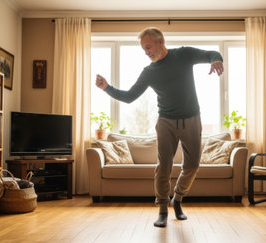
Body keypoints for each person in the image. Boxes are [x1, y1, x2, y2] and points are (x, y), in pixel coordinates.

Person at [95, 27, 224, 228]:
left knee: (192, 165)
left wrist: (217, 60)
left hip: (191, 119)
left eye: (148, 47)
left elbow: (210, 54)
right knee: (164, 165)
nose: (146, 52)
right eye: (143, 49)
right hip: (166, 122)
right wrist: (107, 88)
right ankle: (163, 208)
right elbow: (129, 97)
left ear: (160, 42)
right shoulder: (149, 72)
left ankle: (178, 199)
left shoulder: (182, 54)